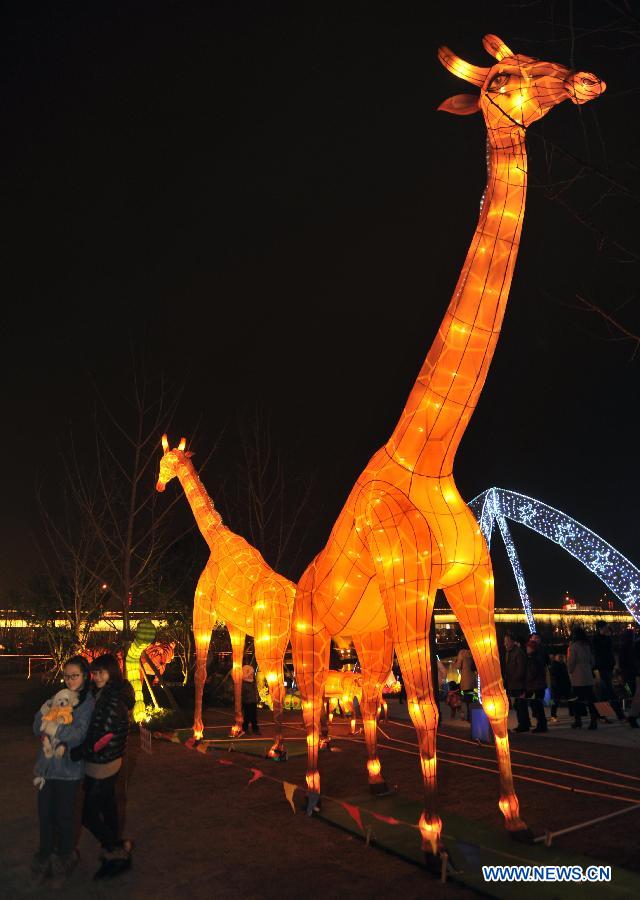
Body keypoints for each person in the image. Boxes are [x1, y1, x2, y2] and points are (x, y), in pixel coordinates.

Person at [30, 655, 95, 888]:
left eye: (74, 675)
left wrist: (53, 727)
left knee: (64, 817)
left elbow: (78, 734)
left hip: (68, 770)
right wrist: (46, 723)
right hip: (46, 769)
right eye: (66, 675)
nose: (69, 680)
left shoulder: (87, 702)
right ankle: (44, 856)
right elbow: (36, 723)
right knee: (45, 816)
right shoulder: (57, 697)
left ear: (85, 676)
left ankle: (65, 857)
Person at [72, 653, 135, 879]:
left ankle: (116, 850)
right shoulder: (102, 694)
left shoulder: (112, 700)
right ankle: (116, 846)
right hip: (107, 761)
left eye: (101, 672)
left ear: (112, 672)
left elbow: (102, 738)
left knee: (88, 815)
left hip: (102, 763)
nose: (96, 676)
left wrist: (78, 752)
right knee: (108, 807)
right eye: (94, 672)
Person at [593, 621, 625, 721]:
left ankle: (601, 715)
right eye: (606, 627)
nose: (607, 629)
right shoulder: (596, 640)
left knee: (605, 691)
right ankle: (619, 714)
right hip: (602, 668)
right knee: (609, 690)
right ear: (600, 628)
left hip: (607, 667)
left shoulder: (606, 639)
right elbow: (598, 654)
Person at [567, 627, 598, 729]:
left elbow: (571, 662)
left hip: (577, 677)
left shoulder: (573, 647)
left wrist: (570, 671)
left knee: (577, 700)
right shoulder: (587, 646)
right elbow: (592, 661)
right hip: (588, 676)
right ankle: (593, 721)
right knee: (591, 701)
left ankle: (578, 721)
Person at [502, 632, 530, 732]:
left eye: (507, 642)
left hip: (518, 684)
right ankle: (524, 723)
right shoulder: (509, 653)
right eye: (505, 642)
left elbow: (521, 669)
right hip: (513, 684)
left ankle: (524, 724)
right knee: (518, 705)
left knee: (520, 705)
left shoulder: (518, 653)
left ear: (513, 642)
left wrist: (514, 679)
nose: (505, 644)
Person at [524, 638, 548, 732]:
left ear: (532, 648)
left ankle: (541, 725)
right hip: (538, 685)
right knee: (538, 706)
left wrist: (527, 680)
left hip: (536, 686)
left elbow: (533, 672)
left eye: (528, 647)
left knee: (537, 706)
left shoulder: (533, 658)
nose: (527, 649)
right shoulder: (537, 657)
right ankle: (542, 724)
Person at [454, 640, 476, 723]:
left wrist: (455, 662)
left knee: (467, 700)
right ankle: (473, 716)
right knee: (473, 699)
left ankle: (470, 717)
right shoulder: (472, 652)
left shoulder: (462, 653)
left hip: (466, 680)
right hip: (473, 679)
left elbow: (458, 666)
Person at [548, 653, 572, 722]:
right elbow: (554, 678)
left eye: (561, 657)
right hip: (556, 687)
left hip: (561, 686)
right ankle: (553, 715)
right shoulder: (554, 666)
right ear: (555, 658)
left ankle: (553, 714)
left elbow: (566, 676)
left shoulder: (562, 665)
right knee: (554, 702)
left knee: (555, 701)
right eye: (559, 657)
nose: (561, 658)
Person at [241, 664, 260, 734]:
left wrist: (257, 697)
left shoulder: (253, 682)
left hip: (253, 701)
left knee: (254, 716)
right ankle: (245, 728)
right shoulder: (244, 683)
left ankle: (255, 729)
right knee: (247, 716)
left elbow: (255, 690)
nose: (251, 675)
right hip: (247, 701)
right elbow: (243, 692)